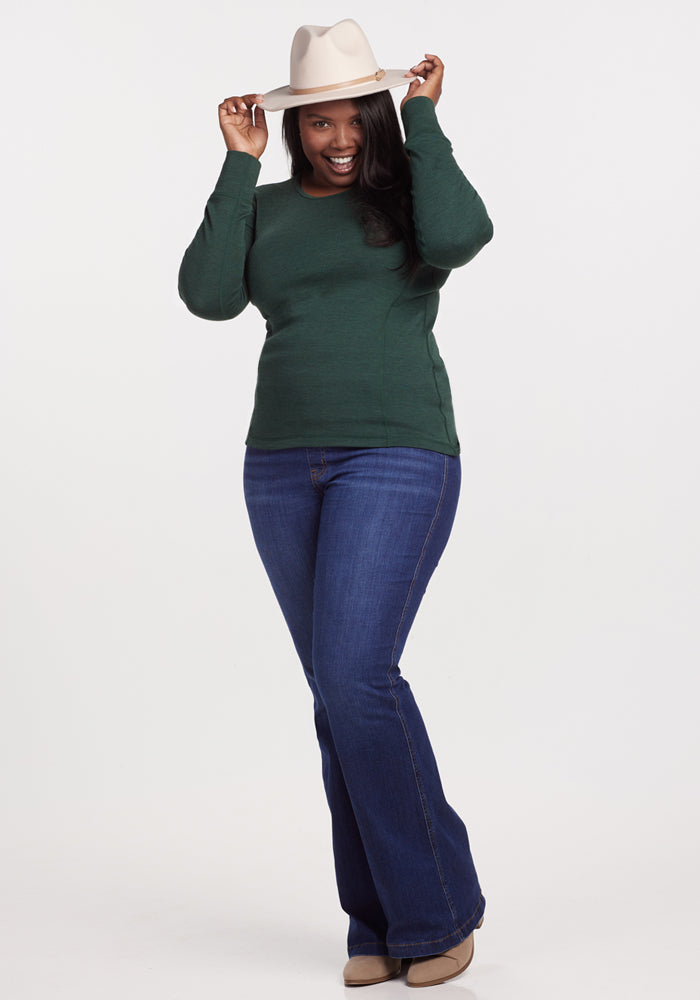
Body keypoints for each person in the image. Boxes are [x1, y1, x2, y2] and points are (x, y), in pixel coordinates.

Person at [178, 18, 493, 989]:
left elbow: (463, 235)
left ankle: (439, 909)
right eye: (319, 121)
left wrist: (424, 120)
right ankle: (378, 920)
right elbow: (206, 293)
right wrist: (235, 170)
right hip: (278, 465)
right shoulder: (267, 208)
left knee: (357, 675)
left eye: (355, 115)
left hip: (397, 452)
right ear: (295, 126)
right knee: (334, 695)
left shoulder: (407, 199)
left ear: (373, 113)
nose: (340, 135)